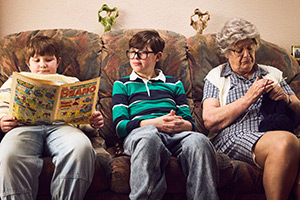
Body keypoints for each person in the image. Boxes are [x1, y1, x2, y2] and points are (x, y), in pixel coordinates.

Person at [112, 30, 219, 200]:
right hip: (142, 134)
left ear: (158, 56)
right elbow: (120, 126)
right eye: (132, 52)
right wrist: (155, 123)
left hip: (175, 134)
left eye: (143, 53)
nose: (135, 57)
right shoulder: (122, 84)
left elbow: (190, 124)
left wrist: (180, 124)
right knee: (149, 137)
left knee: (200, 141)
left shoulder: (174, 83)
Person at [202, 18, 300, 200]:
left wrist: (286, 98)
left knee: (289, 141)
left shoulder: (271, 73)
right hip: (233, 136)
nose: (246, 55)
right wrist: (248, 98)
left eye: (250, 48)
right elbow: (210, 119)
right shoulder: (217, 76)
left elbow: (297, 108)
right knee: (286, 142)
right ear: (226, 53)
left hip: (274, 131)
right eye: (239, 50)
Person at [0, 35, 104, 200]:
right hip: (24, 127)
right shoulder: (15, 79)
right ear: (28, 63)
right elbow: (2, 106)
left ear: (58, 61)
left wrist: (91, 122)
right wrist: (2, 121)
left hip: (63, 128)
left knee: (81, 148)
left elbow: (84, 117)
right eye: (37, 60)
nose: (42, 65)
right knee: (9, 154)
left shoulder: (71, 81)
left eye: (49, 59)